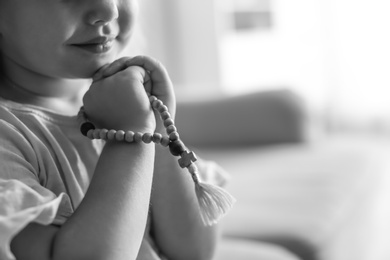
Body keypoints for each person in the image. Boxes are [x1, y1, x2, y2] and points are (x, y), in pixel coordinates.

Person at [0, 0, 223, 259]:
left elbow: (195, 251)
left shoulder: (124, 100)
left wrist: (158, 127)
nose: (109, 11)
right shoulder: (9, 136)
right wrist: (131, 135)